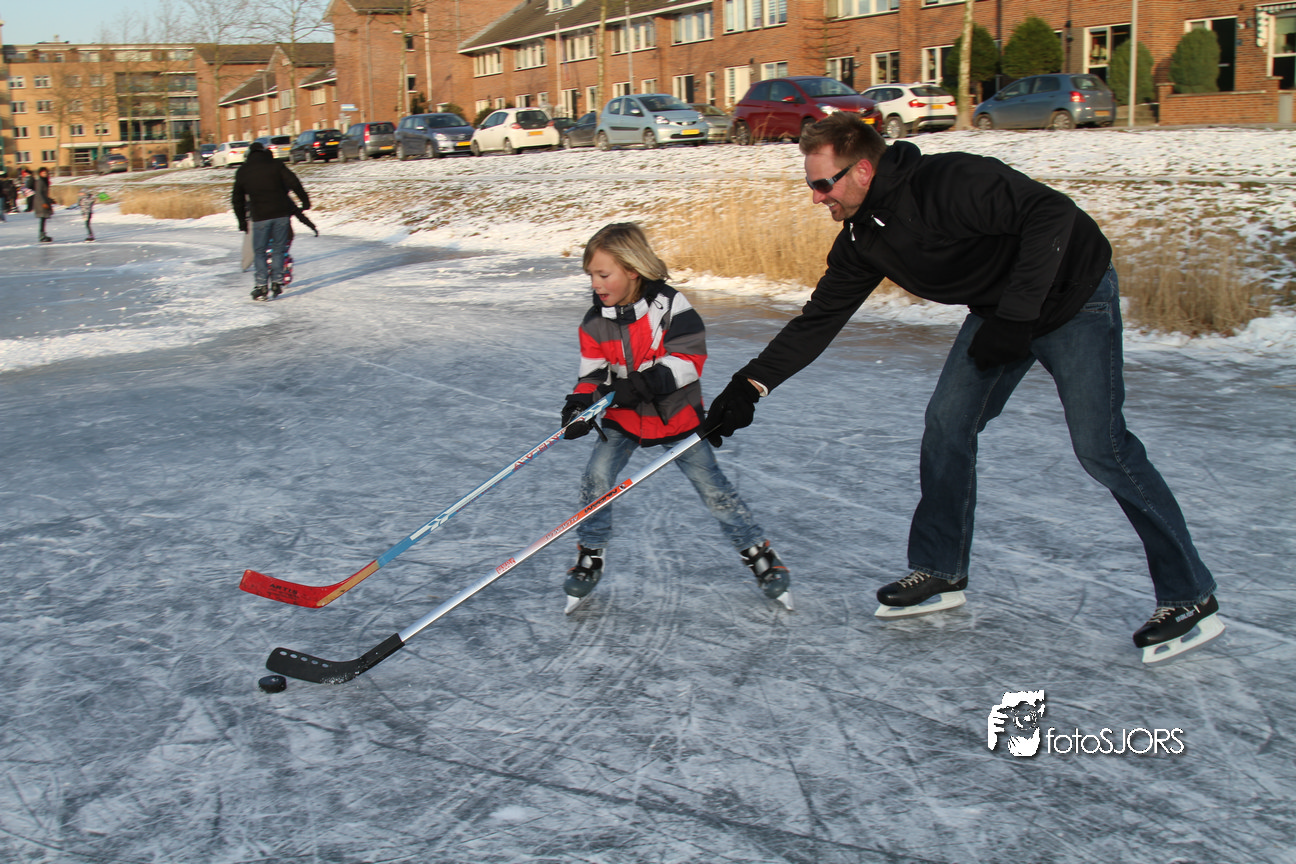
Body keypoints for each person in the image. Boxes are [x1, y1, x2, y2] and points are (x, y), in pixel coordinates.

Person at [703, 113, 1221, 665]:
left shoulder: (948, 182)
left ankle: (1190, 595)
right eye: (811, 185)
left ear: (862, 171)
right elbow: (819, 320)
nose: (815, 197)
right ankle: (941, 569)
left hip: (1074, 297)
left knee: (1101, 446)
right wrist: (749, 385)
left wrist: (1017, 316)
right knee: (948, 424)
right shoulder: (863, 237)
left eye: (822, 184)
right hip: (1003, 314)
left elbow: (1053, 214)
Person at [560, 222, 792, 614]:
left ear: (632, 269)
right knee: (595, 476)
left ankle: (757, 551)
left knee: (714, 488)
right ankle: (591, 551)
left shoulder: (670, 306)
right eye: (591, 276)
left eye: (603, 274)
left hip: (677, 418)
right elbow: (593, 375)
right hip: (623, 420)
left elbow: (689, 358)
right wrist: (580, 405)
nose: (596, 284)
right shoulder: (594, 321)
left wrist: (643, 383)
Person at [231, 141, 310, 300]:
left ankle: (261, 286)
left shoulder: (243, 170)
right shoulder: (276, 165)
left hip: (260, 217)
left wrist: (242, 222)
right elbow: (294, 182)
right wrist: (305, 201)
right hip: (281, 214)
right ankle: (277, 282)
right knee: (278, 249)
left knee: (260, 252)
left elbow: (237, 200)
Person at [30, 167, 54, 242]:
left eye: (46, 173)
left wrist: (50, 200)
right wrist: (44, 202)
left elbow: (44, 193)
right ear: (40, 173)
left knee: (43, 219)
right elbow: (39, 193)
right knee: (42, 219)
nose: (45, 174)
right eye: (43, 173)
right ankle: (41, 235)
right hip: (40, 203)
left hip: (43, 201)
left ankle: (43, 234)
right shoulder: (40, 181)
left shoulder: (44, 181)